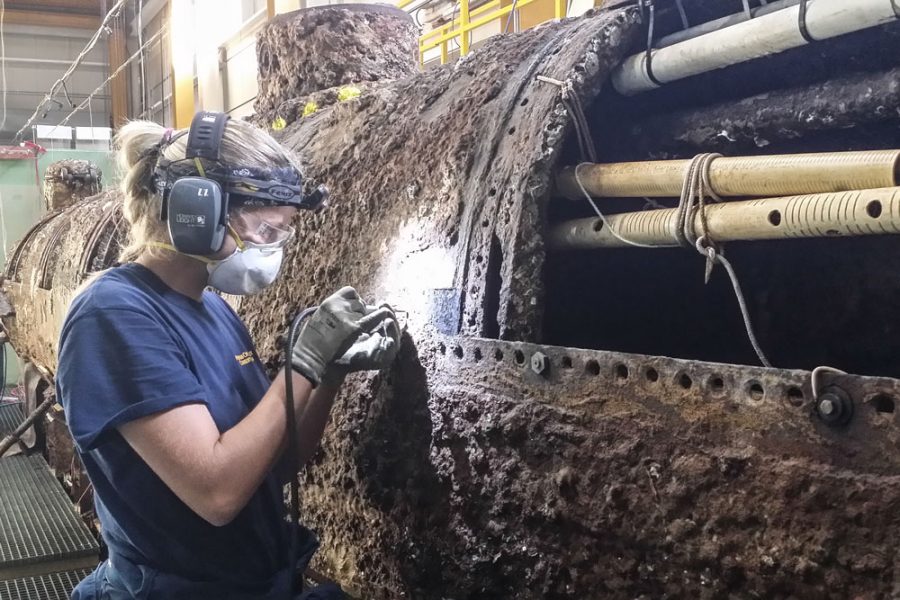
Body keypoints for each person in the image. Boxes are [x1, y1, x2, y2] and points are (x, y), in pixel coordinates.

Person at [56, 112, 399, 599]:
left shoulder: (212, 307)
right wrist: (301, 366)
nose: (274, 247)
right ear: (198, 212)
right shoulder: (113, 315)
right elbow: (217, 492)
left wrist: (329, 371)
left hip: (249, 581)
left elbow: (276, 463)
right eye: (266, 229)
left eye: (284, 232)